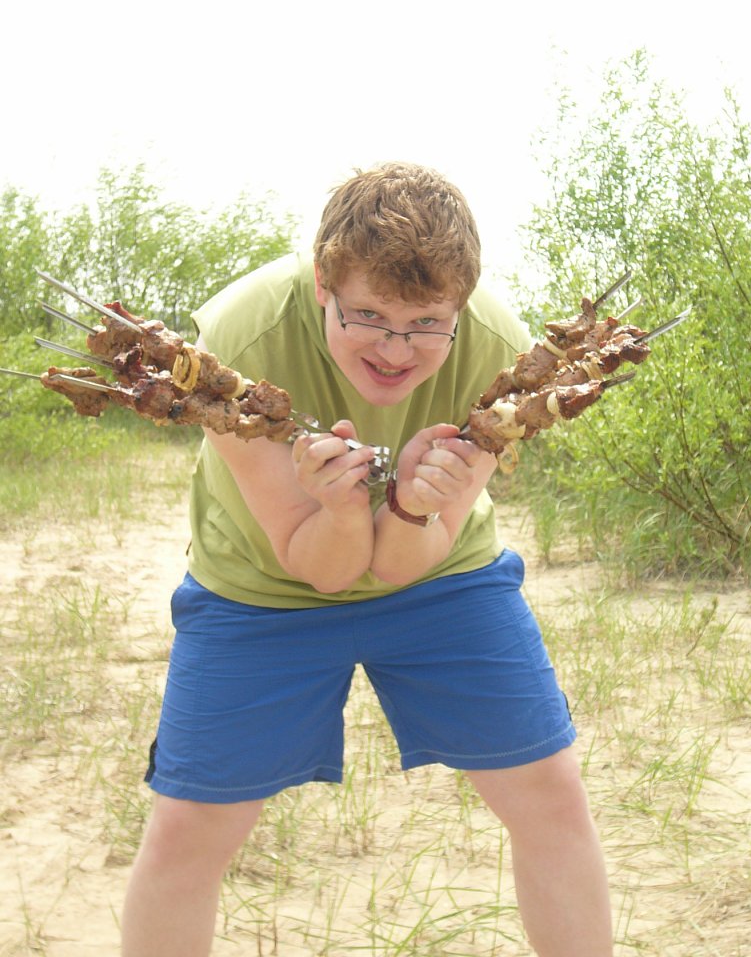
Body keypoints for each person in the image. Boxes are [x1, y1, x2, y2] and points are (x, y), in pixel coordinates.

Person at [121, 162, 613, 956]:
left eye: (426, 323)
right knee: (188, 829)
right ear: (323, 283)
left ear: (460, 306)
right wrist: (345, 509)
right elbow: (318, 565)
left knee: (550, 794)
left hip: (442, 577)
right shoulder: (238, 340)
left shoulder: (498, 349)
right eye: (370, 315)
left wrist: (412, 505)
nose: (395, 349)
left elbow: (401, 564)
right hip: (261, 587)